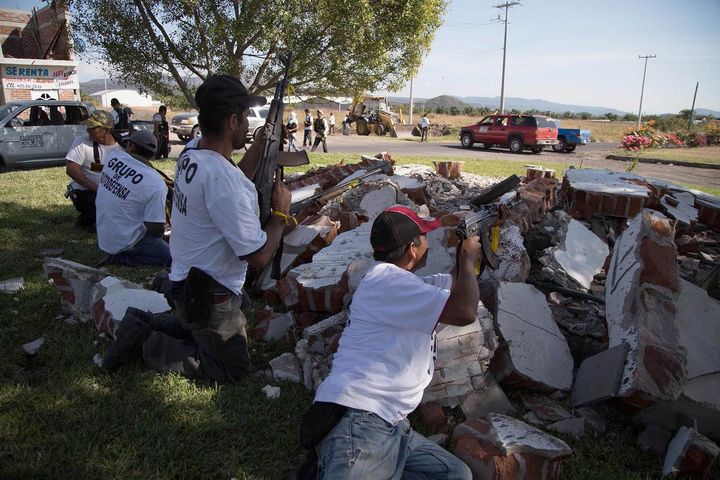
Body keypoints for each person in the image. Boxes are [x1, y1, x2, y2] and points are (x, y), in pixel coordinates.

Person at [102, 74, 294, 383]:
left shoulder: (194, 152)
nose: (248, 124)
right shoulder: (222, 181)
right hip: (207, 293)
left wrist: (260, 144)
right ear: (233, 121)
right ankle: (145, 342)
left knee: (203, 328)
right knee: (232, 370)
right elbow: (257, 257)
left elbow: (234, 176)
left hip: (187, 281)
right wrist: (280, 215)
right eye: (246, 117)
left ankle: (144, 323)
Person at [306, 205, 480, 479]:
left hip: (390, 423)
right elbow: (465, 311)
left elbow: (456, 283)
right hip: (360, 417)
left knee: (456, 475)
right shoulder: (388, 283)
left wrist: (469, 246)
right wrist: (468, 259)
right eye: (424, 237)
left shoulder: (398, 283)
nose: (428, 242)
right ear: (412, 248)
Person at [95, 130, 171, 267]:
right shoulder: (156, 183)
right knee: (176, 258)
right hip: (126, 242)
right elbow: (155, 230)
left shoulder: (113, 157)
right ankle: (123, 258)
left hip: (104, 238)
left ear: (131, 146)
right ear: (152, 154)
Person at [65, 110, 123, 231]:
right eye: (88, 127)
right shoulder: (82, 142)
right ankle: (86, 221)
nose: (88, 130)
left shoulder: (122, 149)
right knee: (97, 205)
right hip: (87, 192)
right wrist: (98, 189)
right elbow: (71, 169)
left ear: (106, 130)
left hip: (113, 194)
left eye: (93, 127)